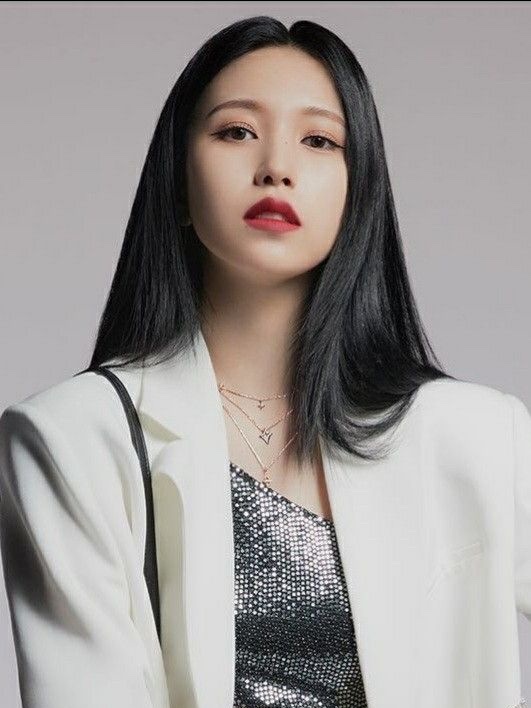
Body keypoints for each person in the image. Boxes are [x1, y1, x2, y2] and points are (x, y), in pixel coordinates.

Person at [0, 14, 529, 708]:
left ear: (358, 192)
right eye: (236, 131)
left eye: (319, 140)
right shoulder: (71, 440)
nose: (276, 165)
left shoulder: (479, 437)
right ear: (178, 184)